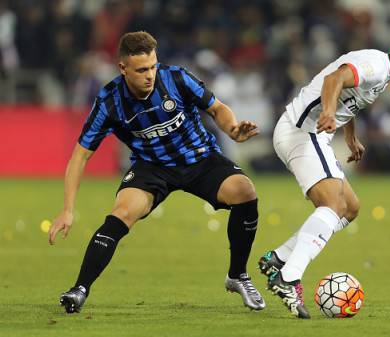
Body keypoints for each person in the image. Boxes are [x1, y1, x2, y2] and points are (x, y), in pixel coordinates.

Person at [48, 31, 265, 313]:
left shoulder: (175, 78)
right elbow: (80, 155)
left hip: (198, 157)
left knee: (245, 192)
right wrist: (67, 209)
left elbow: (217, 108)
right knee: (121, 213)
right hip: (152, 167)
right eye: (141, 70)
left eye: (152, 66)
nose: (150, 75)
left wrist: (233, 130)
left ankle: (238, 275)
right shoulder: (110, 102)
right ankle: (79, 289)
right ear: (123, 68)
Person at [257, 38, 390, 318]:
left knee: (350, 208)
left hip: (314, 135)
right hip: (302, 133)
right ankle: (289, 276)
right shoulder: (376, 65)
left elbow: (349, 96)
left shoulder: (383, 74)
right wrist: (330, 113)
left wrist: (350, 135)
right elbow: (335, 78)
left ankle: (280, 258)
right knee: (333, 205)